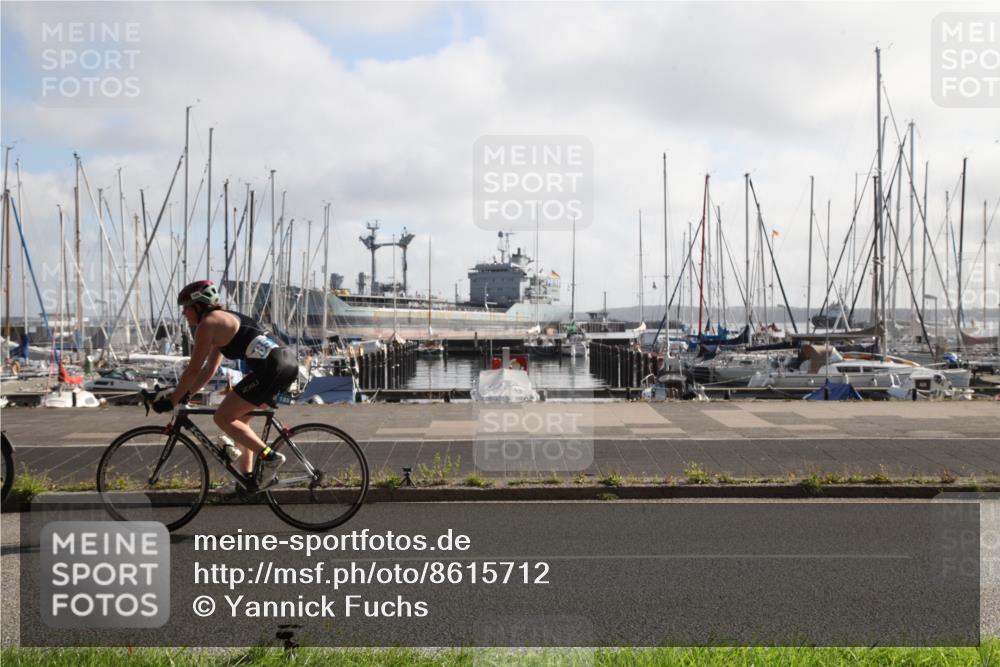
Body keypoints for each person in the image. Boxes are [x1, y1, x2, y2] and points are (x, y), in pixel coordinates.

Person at [151, 280, 297, 487]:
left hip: (272, 369)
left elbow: (193, 369)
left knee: (222, 417)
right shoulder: (223, 320)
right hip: (283, 364)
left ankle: (270, 457)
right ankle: (246, 480)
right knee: (239, 423)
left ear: (198, 306)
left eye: (185, 308)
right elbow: (207, 371)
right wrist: (185, 395)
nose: (184, 313)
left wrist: (172, 400)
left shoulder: (208, 324)